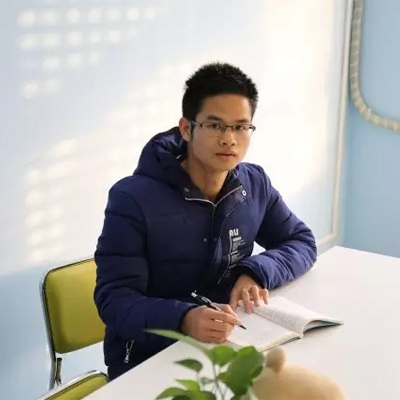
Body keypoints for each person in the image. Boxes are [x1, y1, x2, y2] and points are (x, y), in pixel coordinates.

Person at [94, 63, 317, 379]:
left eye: (240, 127)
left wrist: (255, 272)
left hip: (230, 344)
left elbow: (301, 241)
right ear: (186, 129)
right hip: (150, 359)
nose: (229, 139)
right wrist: (184, 318)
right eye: (215, 125)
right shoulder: (132, 199)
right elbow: (115, 301)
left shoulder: (254, 184)